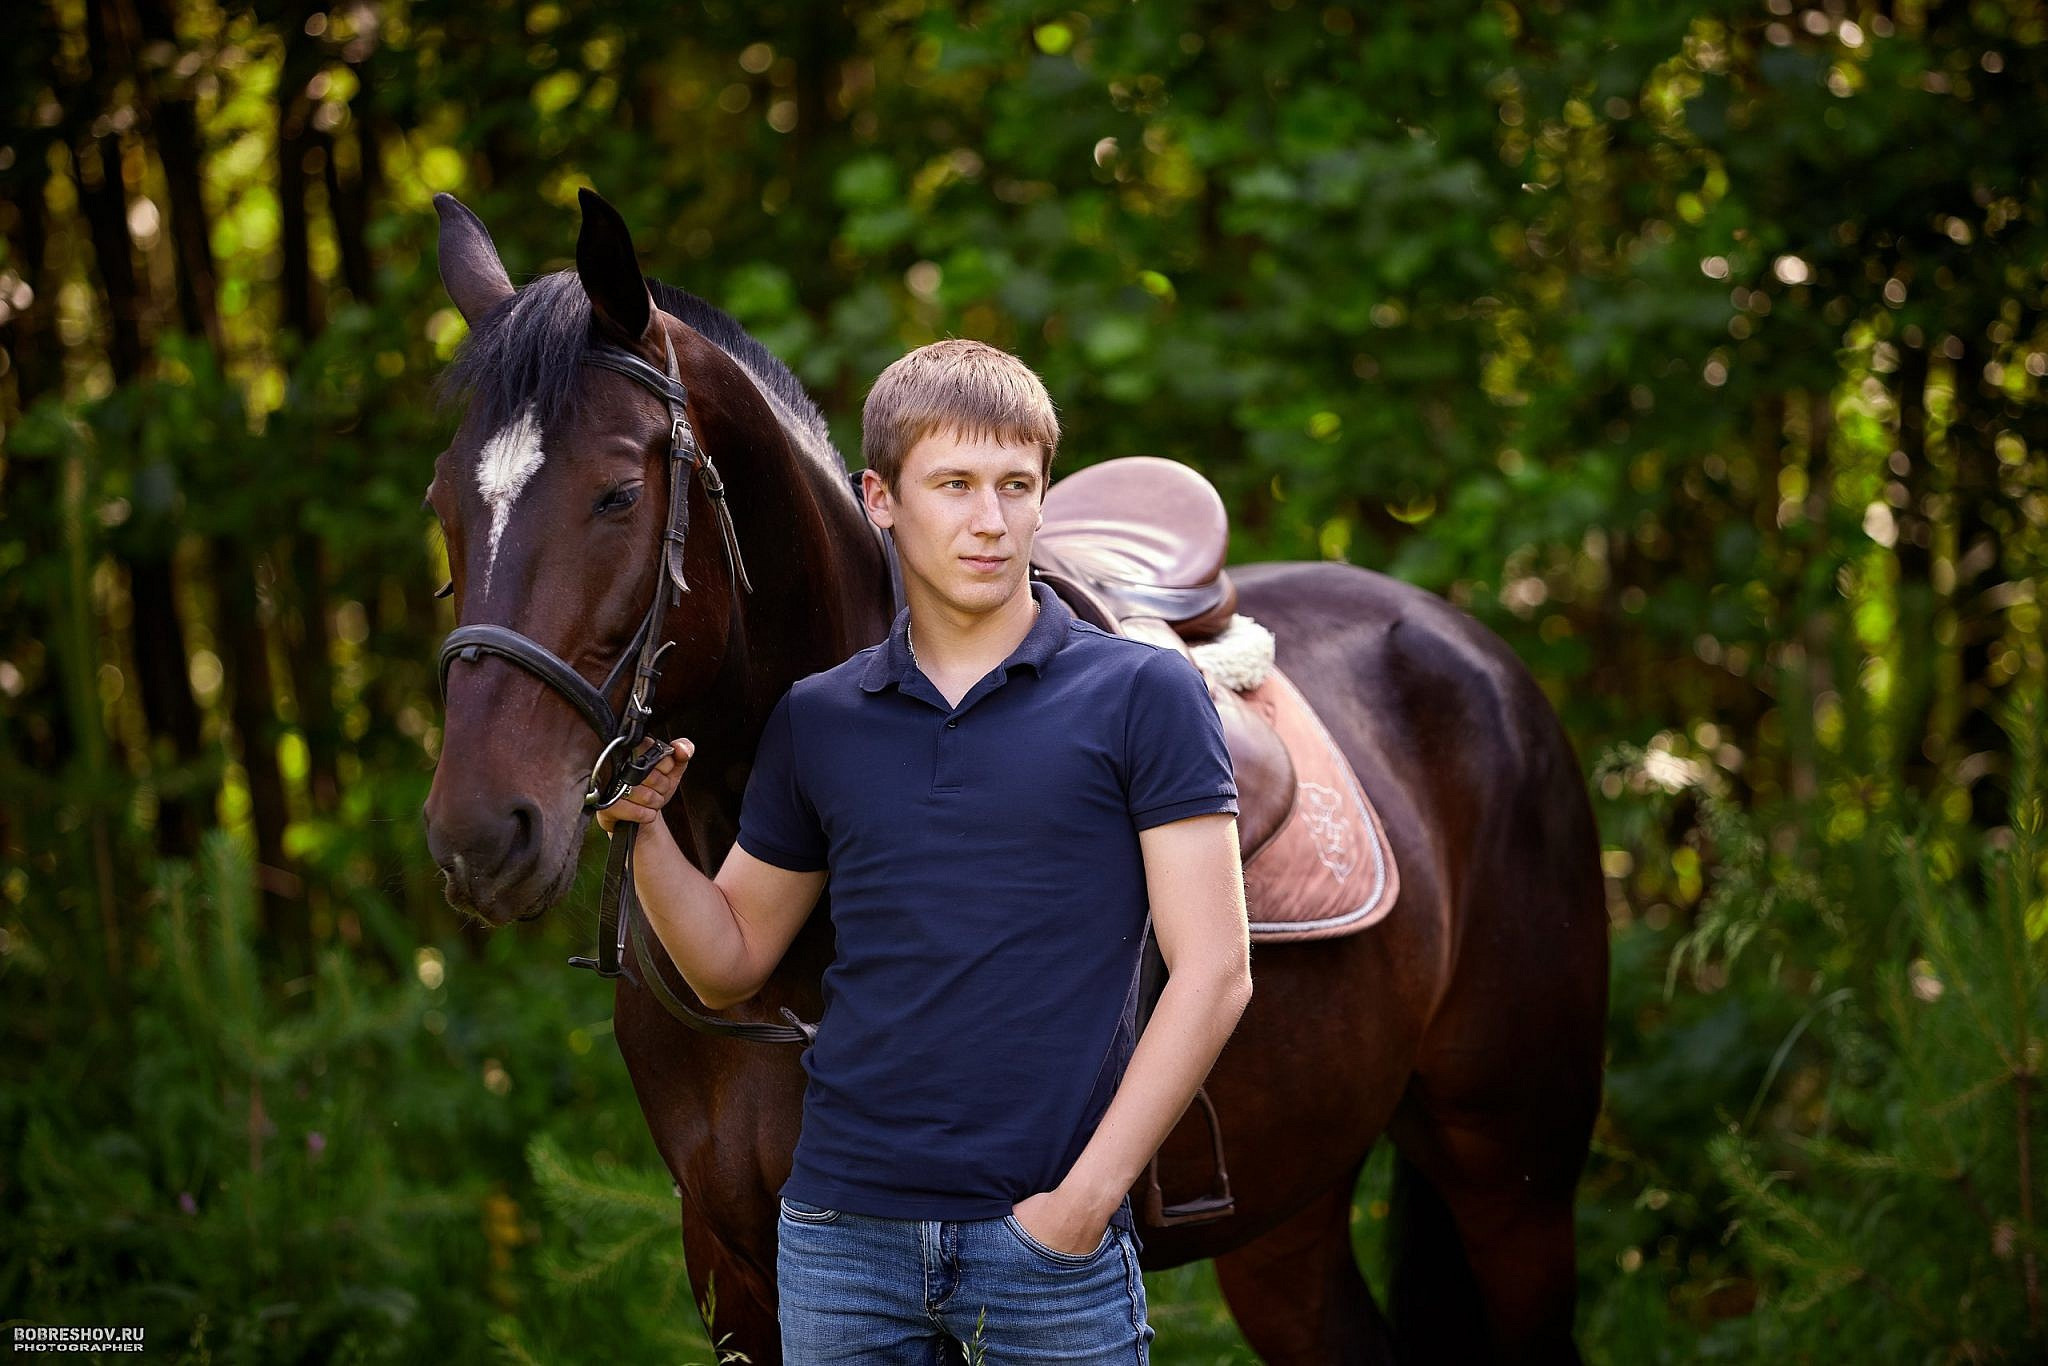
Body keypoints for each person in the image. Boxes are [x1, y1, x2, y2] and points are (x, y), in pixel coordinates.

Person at [596, 338, 1252, 1362]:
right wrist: (642, 832)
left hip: (1049, 1245)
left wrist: (1084, 1202)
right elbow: (727, 961)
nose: (990, 520)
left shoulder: (1141, 694)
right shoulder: (819, 719)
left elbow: (1214, 971)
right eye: (953, 485)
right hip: (840, 1244)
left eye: (1015, 486)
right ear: (881, 498)